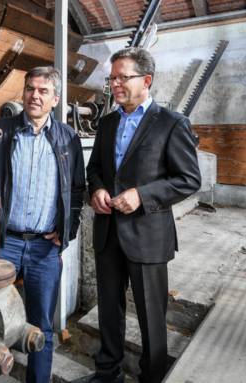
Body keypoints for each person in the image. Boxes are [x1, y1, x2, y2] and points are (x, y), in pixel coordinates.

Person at [0, 66, 86, 383]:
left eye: (43, 91)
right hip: (4, 243)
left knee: (42, 325)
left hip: (45, 247)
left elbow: (77, 189)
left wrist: (66, 231)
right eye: (30, 89)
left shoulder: (67, 139)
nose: (35, 96)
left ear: (55, 99)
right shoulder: (1, 130)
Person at [86, 48, 200, 383]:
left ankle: (151, 375)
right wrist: (97, 190)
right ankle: (107, 372)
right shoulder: (107, 123)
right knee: (109, 308)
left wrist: (143, 195)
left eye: (122, 77)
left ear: (146, 80)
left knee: (151, 314)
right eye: (112, 78)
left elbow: (189, 179)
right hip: (108, 231)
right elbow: (95, 169)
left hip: (148, 235)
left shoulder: (170, 123)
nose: (115, 84)